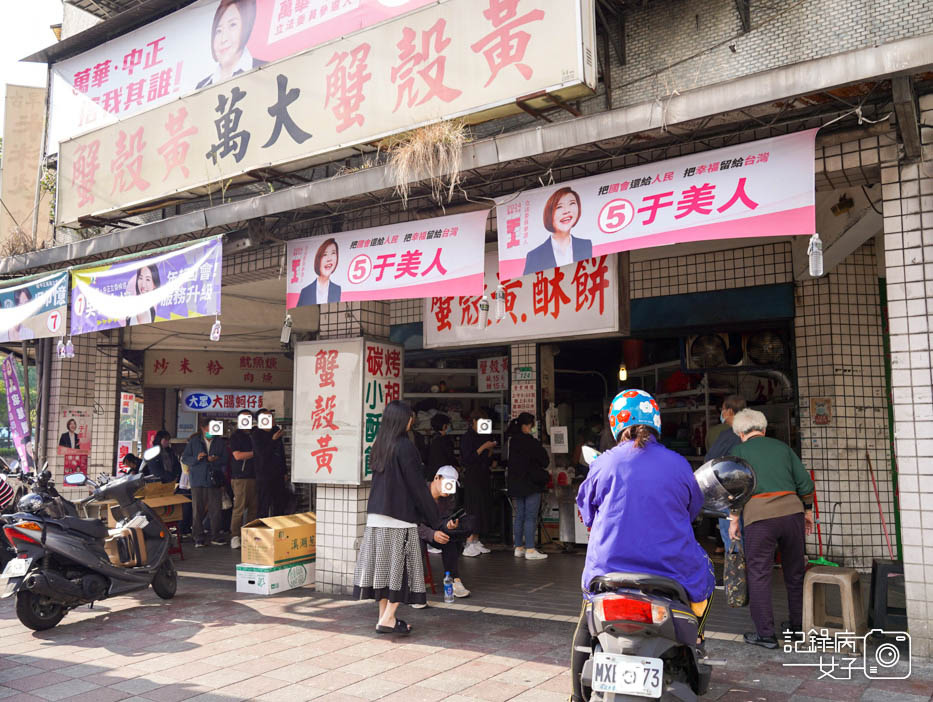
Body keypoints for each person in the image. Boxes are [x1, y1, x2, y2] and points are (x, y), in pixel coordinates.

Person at [571, 389, 714, 702]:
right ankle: (695, 637)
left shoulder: (603, 463)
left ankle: (574, 694)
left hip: (607, 573)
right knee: (708, 573)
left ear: (615, 425)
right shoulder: (678, 464)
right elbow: (692, 511)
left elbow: (587, 514)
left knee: (586, 615)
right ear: (656, 422)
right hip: (671, 574)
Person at [353, 400, 447, 635]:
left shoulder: (380, 445)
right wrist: (435, 519)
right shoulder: (405, 447)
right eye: (410, 417)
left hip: (376, 518)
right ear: (402, 420)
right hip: (400, 519)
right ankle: (387, 619)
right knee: (405, 570)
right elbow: (416, 487)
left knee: (384, 572)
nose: (412, 420)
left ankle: (386, 618)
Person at [728, 408, 814, 649]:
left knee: (759, 573)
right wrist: (806, 511)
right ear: (763, 430)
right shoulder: (783, 448)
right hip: (791, 514)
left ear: (740, 433)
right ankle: (798, 627)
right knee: (795, 572)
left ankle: (766, 634)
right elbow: (805, 484)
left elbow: (736, 489)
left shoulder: (739, 451)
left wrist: (734, 519)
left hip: (759, 519)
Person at [417, 466, 473, 599]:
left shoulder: (448, 497)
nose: (450, 487)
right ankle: (414, 586)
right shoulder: (420, 493)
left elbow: (442, 520)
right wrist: (432, 534)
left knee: (450, 538)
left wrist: (449, 525)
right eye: (448, 482)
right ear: (437, 478)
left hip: (436, 529)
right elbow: (412, 522)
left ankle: (454, 579)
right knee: (416, 541)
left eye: (453, 484)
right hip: (417, 531)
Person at [704, 394, 747, 553]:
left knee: (732, 534)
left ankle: (735, 574)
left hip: (728, 492)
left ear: (729, 411)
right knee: (745, 533)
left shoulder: (728, 435)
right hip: (749, 491)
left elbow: (710, 460)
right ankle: (747, 571)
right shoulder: (750, 431)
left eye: (722, 409)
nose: (721, 413)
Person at [506, 413, 549, 560]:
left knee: (519, 516)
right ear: (527, 425)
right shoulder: (530, 442)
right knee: (530, 517)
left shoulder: (512, 442)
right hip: (531, 484)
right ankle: (530, 549)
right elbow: (544, 460)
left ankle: (518, 547)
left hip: (517, 484)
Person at [523, 187, 592, 276]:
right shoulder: (535, 256)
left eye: (572, 203)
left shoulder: (586, 245)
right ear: (549, 213)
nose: (566, 211)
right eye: (559, 207)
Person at [181, 416, 227, 547]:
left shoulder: (219, 442)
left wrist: (215, 460)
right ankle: (198, 537)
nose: (211, 432)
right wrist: (197, 459)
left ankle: (216, 535)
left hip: (214, 480)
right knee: (198, 509)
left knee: (215, 509)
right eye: (209, 429)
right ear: (203, 428)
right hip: (198, 479)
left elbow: (225, 459)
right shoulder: (194, 441)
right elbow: (184, 458)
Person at [197, 0, 265, 89]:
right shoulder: (202, 87)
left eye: (232, 25)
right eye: (219, 31)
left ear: (246, 26)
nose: (223, 39)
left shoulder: (266, 69)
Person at [459, 409, 496, 557]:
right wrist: (483, 447)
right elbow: (467, 459)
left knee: (482, 507)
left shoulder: (483, 436)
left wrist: (490, 450)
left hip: (483, 475)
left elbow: (486, 456)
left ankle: (476, 540)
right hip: (472, 477)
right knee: (473, 508)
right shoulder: (467, 437)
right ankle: (468, 542)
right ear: (474, 421)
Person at [229, 410, 258, 549]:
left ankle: (250, 535)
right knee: (239, 508)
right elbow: (238, 456)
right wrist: (256, 453)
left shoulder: (254, 433)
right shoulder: (236, 436)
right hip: (241, 477)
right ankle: (235, 536)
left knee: (254, 508)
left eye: (249, 418)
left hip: (255, 475)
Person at [253, 408, 288, 517]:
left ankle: (277, 529)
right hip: (264, 475)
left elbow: (281, 453)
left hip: (278, 474)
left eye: (271, 416)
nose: (271, 419)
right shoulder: (256, 434)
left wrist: (284, 471)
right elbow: (262, 454)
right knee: (264, 503)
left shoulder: (276, 430)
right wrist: (272, 440)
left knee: (279, 503)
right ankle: (262, 530)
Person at [296, 238, 342, 306]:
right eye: (325, 254)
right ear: (318, 259)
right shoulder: (305, 292)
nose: (329, 259)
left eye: (333, 253)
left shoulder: (337, 289)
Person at [425, 413, 456, 481]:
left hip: (432, 475)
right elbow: (450, 457)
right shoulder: (445, 440)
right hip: (444, 476)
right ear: (444, 426)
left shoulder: (432, 439)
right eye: (448, 424)